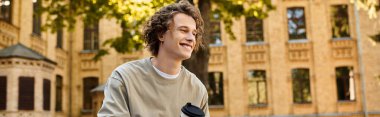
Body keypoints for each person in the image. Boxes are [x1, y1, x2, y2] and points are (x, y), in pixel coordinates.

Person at [97, 0, 209, 116]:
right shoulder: (124, 78)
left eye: (194, 33)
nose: (191, 38)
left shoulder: (197, 89)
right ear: (161, 34)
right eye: (183, 30)